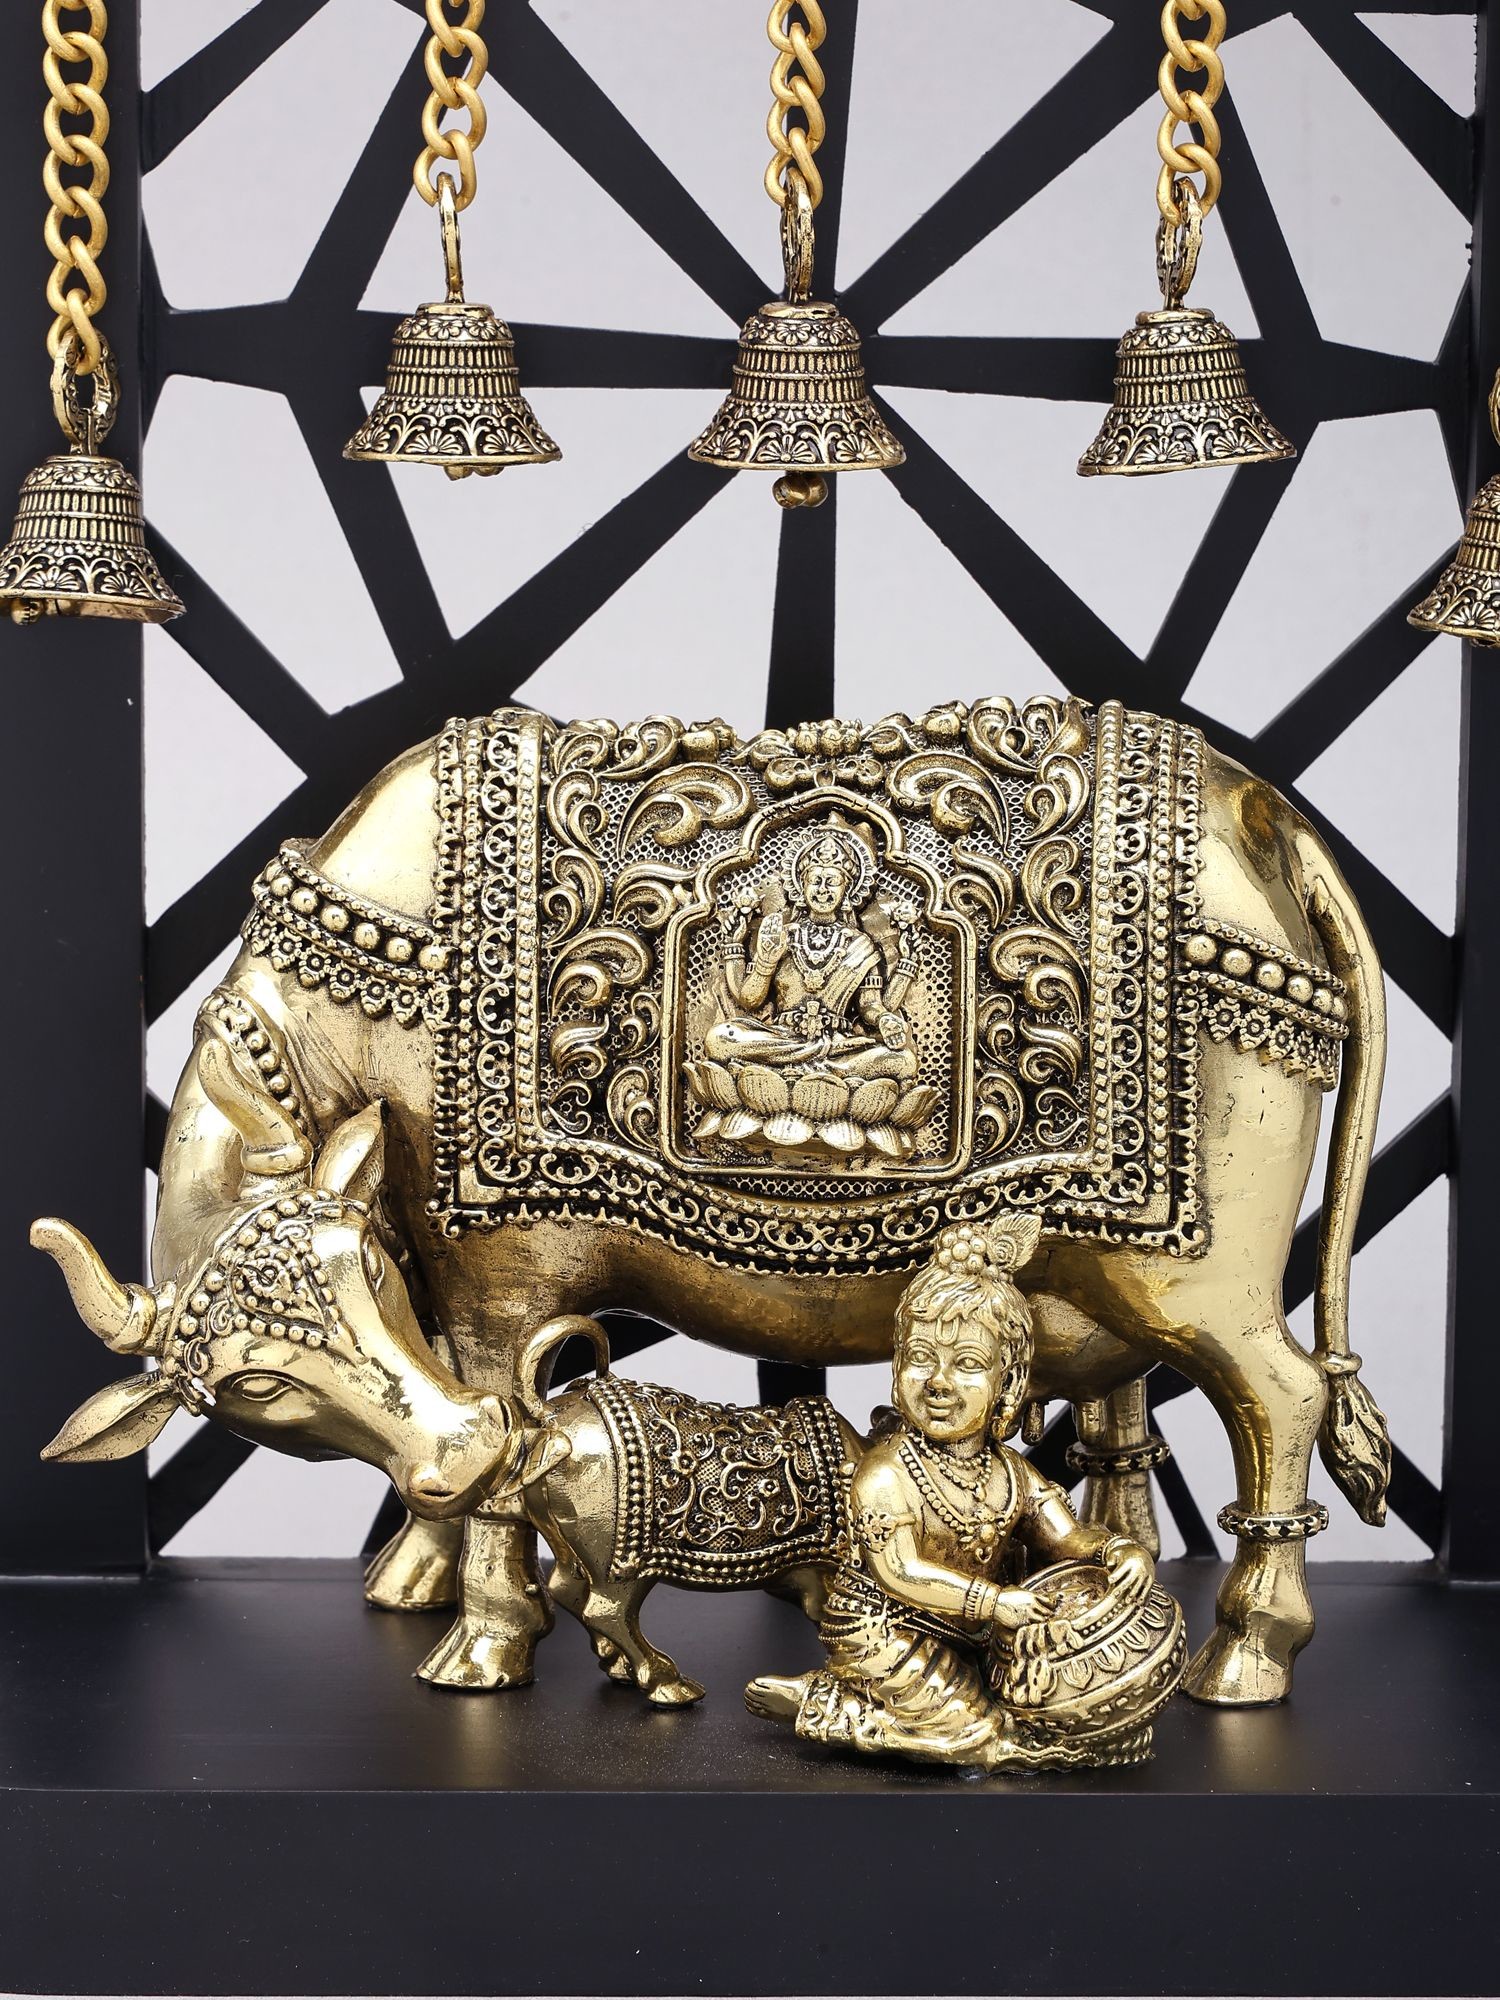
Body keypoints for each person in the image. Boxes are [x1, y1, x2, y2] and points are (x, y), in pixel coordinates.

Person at [745, 1215, 1156, 1771]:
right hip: (882, 1631)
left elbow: (1067, 1538)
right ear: (897, 1367)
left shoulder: (1012, 1473)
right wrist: (995, 1602)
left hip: (979, 1632)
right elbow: (901, 1572)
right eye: (921, 1358)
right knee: (974, 1731)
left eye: (967, 1364)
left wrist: (1115, 1551)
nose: (938, 1382)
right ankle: (829, 1707)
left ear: (1008, 1384)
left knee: (1040, 1697)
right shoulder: (885, 1474)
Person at [705, 816, 919, 1087]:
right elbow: (750, 1000)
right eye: (816, 881)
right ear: (801, 885)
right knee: (720, 1039)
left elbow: (869, 1006)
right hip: (781, 1039)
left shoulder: (861, 944)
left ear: (847, 890)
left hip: (836, 1045)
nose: (823, 890)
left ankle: (797, 1075)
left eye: (832, 882)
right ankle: (821, 1077)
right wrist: (766, 961)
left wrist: (885, 1019)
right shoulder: (782, 934)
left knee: (903, 1060)